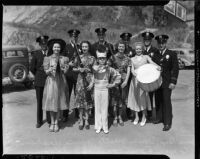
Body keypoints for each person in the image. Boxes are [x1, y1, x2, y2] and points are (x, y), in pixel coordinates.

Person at [127, 42, 161, 126]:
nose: (138, 50)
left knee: (143, 99)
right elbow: (132, 69)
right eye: (137, 49)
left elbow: (151, 62)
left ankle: (144, 117)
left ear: (142, 49)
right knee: (135, 99)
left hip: (143, 82)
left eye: (140, 49)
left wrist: (158, 66)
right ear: (135, 50)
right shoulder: (132, 59)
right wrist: (134, 73)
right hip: (134, 81)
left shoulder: (146, 57)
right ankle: (136, 117)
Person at [91, 45, 121, 134]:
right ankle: (98, 126)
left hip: (105, 89)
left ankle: (105, 126)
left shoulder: (109, 69)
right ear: (97, 59)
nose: (102, 60)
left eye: (103, 58)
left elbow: (118, 75)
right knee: (97, 108)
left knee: (104, 108)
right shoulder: (95, 67)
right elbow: (93, 75)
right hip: (96, 89)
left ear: (106, 59)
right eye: (100, 58)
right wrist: (91, 83)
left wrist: (112, 85)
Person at [42, 38, 69, 132]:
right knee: (51, 102)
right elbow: (46, 72)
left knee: (58, 102)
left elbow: (66, 71)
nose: (56, 48)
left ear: (60, 48)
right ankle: (52, 122)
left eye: (58, 47)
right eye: (55, 47)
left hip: (60, 82)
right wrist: (50, 69)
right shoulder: (47, 58)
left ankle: (56, 122)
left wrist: (63, 68)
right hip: (51, 82)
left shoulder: (64, 58)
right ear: (52, 48)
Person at [154, 35, 179, 131]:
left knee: (166, 101)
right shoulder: (155, 54)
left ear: (165, 43)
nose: (161, 45)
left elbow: (175, 69)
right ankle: (160, 118)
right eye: (159, 43)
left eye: (162, 43)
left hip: (167, 82)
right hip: (157, 82)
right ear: (157, 44)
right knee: (158, 101)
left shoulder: (171, 54)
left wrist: (173, 81)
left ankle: (167, 122)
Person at [72, 41, 95, 130]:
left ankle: (87, 120)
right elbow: (73, 68)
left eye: (86, 46)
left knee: (88, 101)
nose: (85, 48)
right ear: (81, 48)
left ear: (89, 47)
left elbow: (95, 71)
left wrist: (92, 83)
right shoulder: (78, 57)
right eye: (83, 47)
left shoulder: (92, 58)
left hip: (89, 80)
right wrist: (79, 69)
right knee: (80, 101)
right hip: (80, 81)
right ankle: (81, 120)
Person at [108, 40, 131, 126]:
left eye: (123, 47)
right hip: (114, 82)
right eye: (120, 46)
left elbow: (128, 71)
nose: (121, 48)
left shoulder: (127, 58)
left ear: (125, 48)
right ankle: (115, 117)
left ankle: (120, 116)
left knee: (121, 100)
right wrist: (114, 70)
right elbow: (108, 68)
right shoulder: (112, 57)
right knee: (114, 101)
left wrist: (126, 81)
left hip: (123, 82)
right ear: (117, 47)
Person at [30, 35, 51, 128]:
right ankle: (39, 121)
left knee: (49, 100)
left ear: (47, 44)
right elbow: (32, 68)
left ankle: (49, 119)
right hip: (39, 81)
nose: (44, 45)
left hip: (49, 80)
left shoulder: (50, 53)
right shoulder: (36, 54)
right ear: (39, 45)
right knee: (39, 101)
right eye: (42, 44)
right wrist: (38, 75)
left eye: (45, 44)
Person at [141, 31, 161, 122]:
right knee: (145, 96)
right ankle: (146, 115)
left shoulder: (155, 50)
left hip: (152, 78)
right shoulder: (140, 50)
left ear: (151, 40)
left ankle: (155, 116)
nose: (147, 41)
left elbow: (157, 63)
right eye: (145, 39)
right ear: (143, 40)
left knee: (153, 96)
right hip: (143, 77)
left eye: (148, 39)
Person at [63, 29, 81, 121]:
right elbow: (61, 61)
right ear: (70, 37)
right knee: (67, 95)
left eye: (76, 37)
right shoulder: (66, 47)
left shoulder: (80, 47)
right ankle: (65, 115)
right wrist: (68, 64)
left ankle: (77, 114)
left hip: (77, 74)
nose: (74, 38)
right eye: (73, 36)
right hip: (68, 75)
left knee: (77, 95)